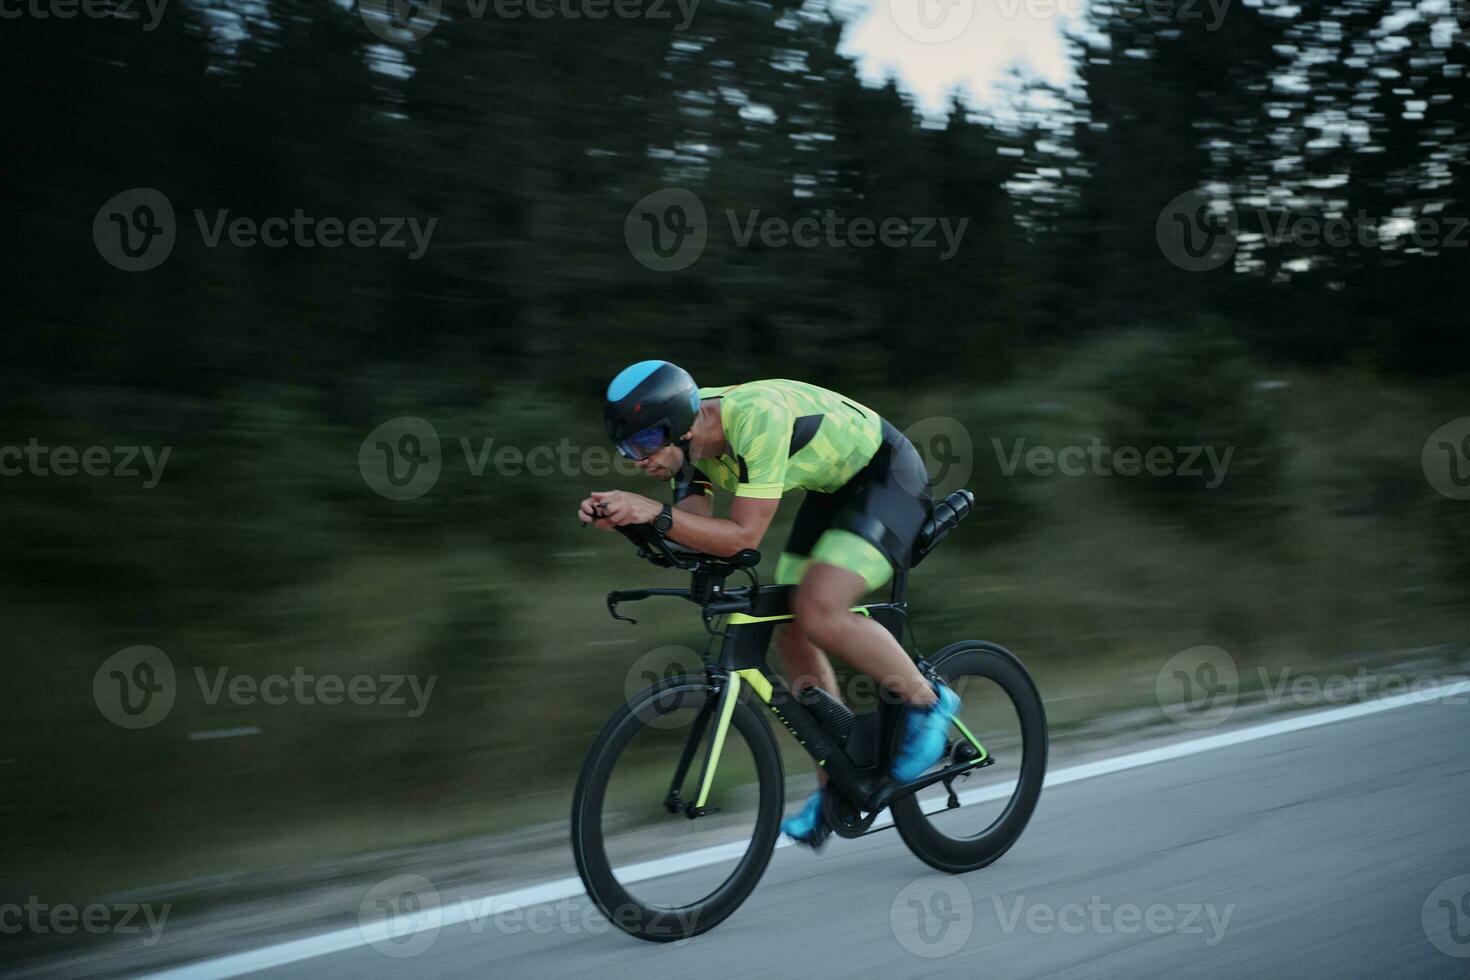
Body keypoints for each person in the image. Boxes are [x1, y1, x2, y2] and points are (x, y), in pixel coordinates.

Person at [577, 359, 960, 850]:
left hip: (886, 476)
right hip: (832, 490)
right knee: (789, 627)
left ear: (677, 428)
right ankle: (836, 783)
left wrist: (651, 511)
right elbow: (691, 531)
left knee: (819, 608)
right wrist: (629, 521)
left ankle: (929, 701)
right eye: (627, 450)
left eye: (644, 445)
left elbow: (741, 538)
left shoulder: (755, 418)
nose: (638, 461)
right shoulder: (689, 443)